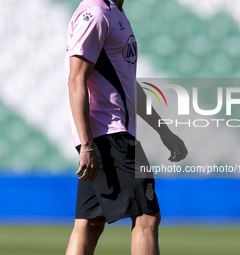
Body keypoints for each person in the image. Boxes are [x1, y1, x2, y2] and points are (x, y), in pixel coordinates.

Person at [65, 0, 188, 254]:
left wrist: (162, 129)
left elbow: (128, 82)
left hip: (109, 134)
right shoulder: (96, 14)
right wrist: (87, 145)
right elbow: (76, 79)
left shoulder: (116, 12)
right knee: (147, 217)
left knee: (89, 224)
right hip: (110, 135)